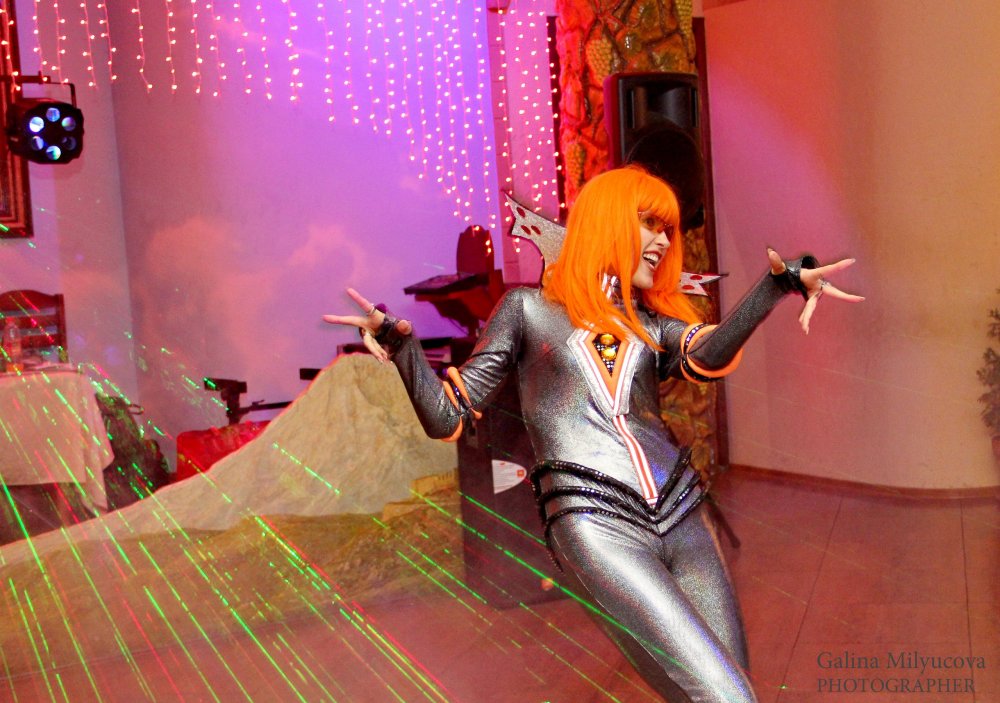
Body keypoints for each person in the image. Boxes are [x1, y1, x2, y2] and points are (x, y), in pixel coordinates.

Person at [324, 166, 862, 702]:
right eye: (648, 224)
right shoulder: (527, 310)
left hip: (686, 515)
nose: (662, 242)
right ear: (607, 222)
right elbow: (447, 417)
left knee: (733, 691)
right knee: (727, 698)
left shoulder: (651, 324)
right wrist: (401, 348)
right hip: (598, 525)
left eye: (667, 230)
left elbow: (708, 351)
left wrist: (776, 286)